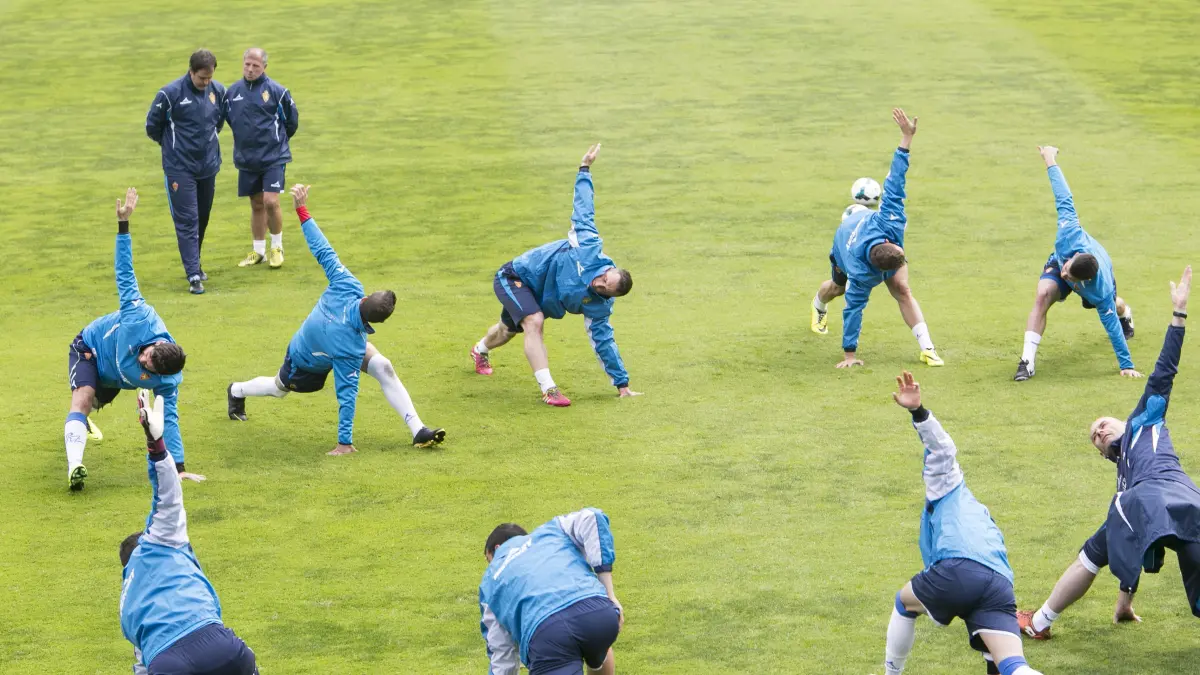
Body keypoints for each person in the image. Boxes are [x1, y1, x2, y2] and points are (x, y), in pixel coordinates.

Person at [1019, 267, 1199, 639]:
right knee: (1095, 549)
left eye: (1101, 424)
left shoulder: (1144, 421)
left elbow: (1164, 371)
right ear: (1104, 455)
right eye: (1095, 438)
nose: (1099, 431)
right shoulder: (1123, 487)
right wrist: (1124, 600)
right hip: (1169, 505)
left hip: (1178, 495)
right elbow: (1131, 536)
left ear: (1121, 420)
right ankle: (1039, 623)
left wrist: (1179, 314)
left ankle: (1038, 622)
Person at [226, 184, 445, 453]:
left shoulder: (349, 288)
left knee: (383, 366)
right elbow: (347, 393)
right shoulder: (350, 339)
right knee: (278, 389)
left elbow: (324, 250)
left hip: (335, 341)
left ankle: (418, 430)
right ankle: (236, 391)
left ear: (365, 298)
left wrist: (302, 210)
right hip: (303, 359)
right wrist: (344, 443)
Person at [882, 371, 1041, 675]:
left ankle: (891, 673)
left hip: (961, 569)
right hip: (999, 585)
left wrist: (918, 411)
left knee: (904, 603)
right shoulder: (981, 515)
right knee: (1011, 665)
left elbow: (942, 449)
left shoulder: (948, 485)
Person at [469, 144, 640, 407]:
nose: (598, 284)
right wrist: (585, 169)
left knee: (506, 331)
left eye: (605, 289)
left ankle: (479, 350)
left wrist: (622, 384)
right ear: (608, 269)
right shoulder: (588, 247)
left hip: (536, 298)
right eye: (604, 278)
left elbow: (604, 342)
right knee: (534, 321)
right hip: (515, 276)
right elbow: (584, 209)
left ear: (610, 296)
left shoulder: (598, 306)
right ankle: (549, 390)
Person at [65, 189, 200, 491]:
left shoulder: (167, 380)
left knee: (89, 405)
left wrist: (178, 468)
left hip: (114, 378)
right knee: (82, 400)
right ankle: (75, 468)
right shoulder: (138, 316)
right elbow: (125, 273)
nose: (142, 360)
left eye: (148, 366)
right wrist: (123, 225)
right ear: (156, 344)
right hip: (91, 349)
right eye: (147, 355)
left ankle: (81, 420)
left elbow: (169, 418)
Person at [121, 391, 257, 675]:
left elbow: (141, 664)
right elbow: (168, 493)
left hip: (166, 661)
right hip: (218, 644)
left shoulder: (127, 602)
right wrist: (156, 445)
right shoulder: (159, 540)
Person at [809, 109, 944, 369]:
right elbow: (853, 310)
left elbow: (895, 180)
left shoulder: (889, 219)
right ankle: (818, 305)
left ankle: (927, 349)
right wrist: (849, 355)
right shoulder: (860, 274)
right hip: (844, 243)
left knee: (902, 289)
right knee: (836, 289)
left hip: (866, 232)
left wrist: (906, 138)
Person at [1013, 146, 1137, 381]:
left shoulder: (1100, 290)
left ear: (1085, 281)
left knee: (1113, 306)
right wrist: (1050, 159)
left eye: (1069, 277)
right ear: (1072, 258)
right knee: (1042, 295)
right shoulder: (1069, 231)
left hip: (1101, 288)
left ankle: (1126, 312)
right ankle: (1027, 362)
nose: (1064, 275)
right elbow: (1063, 195)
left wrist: (1126, 364)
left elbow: (1111, 327)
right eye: (1066, 270)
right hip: (1060, 256)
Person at [480, 508, 623, 675]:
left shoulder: (490, 580)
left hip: (549, 634)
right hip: (601, 614)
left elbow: (502, 657)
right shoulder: (551, 530)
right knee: (598, 648)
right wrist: (609, 595)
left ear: (497, 549)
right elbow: (592, 517)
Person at [146, 49, 227, 295]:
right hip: (179, 168)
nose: (206, 82)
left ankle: (195, 263)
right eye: (202, 78)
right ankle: (193, 274)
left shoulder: (217, 92)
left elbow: (218, 123)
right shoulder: (170, 94)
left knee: (202, 216)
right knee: (188, 219)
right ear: (191, 71)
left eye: (210, 77)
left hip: (208, 166)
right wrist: (173, 148)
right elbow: (152, 126)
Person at [226, 47, 299, 270]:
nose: (250, 69)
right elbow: (230, 120)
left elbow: (291, 122)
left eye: (255, 66)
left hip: (273, 157)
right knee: (256, 203)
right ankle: (258, 252)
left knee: (270, 201)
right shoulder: (232, 92)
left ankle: (277, 247)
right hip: (247, 159)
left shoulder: (278, 92)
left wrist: (275, 142)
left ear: (264, 67)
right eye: (247, 64)